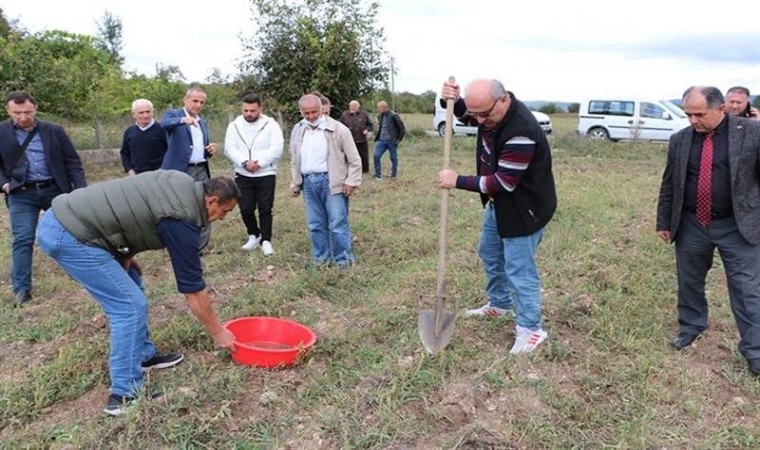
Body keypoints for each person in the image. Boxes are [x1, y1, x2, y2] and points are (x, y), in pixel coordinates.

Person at [36, 170, 239, 415]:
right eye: (225, 211)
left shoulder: (183, 183)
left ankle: (143, 355)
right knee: (129, 306)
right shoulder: (182, 218)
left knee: (132, 277)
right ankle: (123, 394)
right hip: (70, 234)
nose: (223, 218)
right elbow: (193, 290)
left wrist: (124, 254)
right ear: (211, 201)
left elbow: (135, 207)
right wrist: (218, 332)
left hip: (73, 221)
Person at [438, 79, 557, 354]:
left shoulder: (522, 131)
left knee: (519, 269)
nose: (479, 121)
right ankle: (500, 304)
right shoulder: (490, 112)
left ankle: (531, 329)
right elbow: (466, 113)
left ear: (503, 100)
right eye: (475, 113)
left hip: (524, 208)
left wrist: (457, 181)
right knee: (490, 253)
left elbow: (503, 182)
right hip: (500, 205)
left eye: (484, 114)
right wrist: (449, 101)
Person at [656, 86, 760, 377]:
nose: (693, 121)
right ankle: (691, 327)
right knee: (689, 281)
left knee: (747, 289)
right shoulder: (680, 140)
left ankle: (755, 351)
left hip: (738, 225)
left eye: (699, 114)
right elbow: (669, 184)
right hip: (692, 224)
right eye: (688, 114)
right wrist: (664, 221)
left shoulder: (752, 133)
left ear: (721, 109)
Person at [0, 91, 87, 306]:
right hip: (22, 193)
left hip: (55, 190)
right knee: (23, 239)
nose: (23, 117)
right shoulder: (1, 132)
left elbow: (72, 162)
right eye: (17, 113)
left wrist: (81, 191)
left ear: (35, 109)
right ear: (8, 111)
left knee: (73, 234)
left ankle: (84, 278)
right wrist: (4, 184)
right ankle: (21, 290)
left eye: (27, 112)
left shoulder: (54, 131)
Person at [290, 94, 362, 267]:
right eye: (306, 113)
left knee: (337, 223)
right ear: (301, 112)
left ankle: (343, 261)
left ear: (321, 109)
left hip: (331, 181)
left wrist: (351, 181)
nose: (311, 116)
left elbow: (354, 159)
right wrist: (296, 182)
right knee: (315, 224)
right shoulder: (299, 131)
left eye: (314, 112)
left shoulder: (338, 129)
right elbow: (295, 159)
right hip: (309, 183)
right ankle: (321, 260)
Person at [224, 93, 284, 255]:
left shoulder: (271, 125)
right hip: (243, 173)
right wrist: (244, 162)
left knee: (265, 207)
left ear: (260, 109)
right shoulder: (234, 126)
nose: (249, 114)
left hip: (266, 172)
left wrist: (259, 163)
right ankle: (254, 234)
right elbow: (230, 148)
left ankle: (266, 240)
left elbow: (277, 147)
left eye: (252, 110)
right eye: (245, 110)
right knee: (245, 207)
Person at [160, 87, 218, 252]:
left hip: (201, 169)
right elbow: (163, 125)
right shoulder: (174, 115)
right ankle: (178, 244)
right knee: (179, 208)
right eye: (195, 101)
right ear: (185, 100)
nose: (198, 105)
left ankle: (201, 247)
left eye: (201, 102)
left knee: (205, 205)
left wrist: (209, 150)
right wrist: (183, 120)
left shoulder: (202, 122)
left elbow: (197, 147)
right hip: (180, 170)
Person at [119, 98, 168, 175]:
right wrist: (129, 170)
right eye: (141, 113)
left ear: (153, 112)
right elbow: (125, 153)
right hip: (137, 176)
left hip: (159, 175)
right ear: (133, 115)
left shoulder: (163, 129)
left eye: (148, 112)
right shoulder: (129, 132)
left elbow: (171, 152)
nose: (145, 115)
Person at [373, 101, 405, 180]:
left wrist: (399, 139)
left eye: (379, 108)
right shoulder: (379, 116)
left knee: (393, 158)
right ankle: (378, 175)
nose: (378, 109)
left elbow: (402, 128)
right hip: (382, 140)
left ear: (384, 108)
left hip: (391, 140)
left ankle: (394, 175)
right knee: (376, 156)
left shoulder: (394, 115)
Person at [340, 100, 373, 173]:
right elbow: (340, 126)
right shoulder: (344, 115)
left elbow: (370, 125)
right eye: (352, 106)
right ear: (349, 106)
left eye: (355, 106)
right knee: (350, 156)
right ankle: (351, 170)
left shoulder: (364, 114)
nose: (353, 107)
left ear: (358, 106)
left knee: (363, 155)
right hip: (350, 140)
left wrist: (367, 130)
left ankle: (365, 170)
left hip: (362, 139)